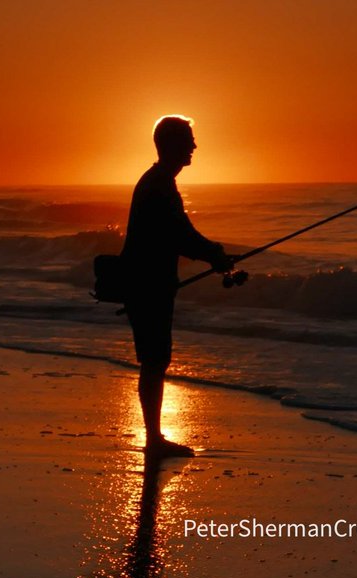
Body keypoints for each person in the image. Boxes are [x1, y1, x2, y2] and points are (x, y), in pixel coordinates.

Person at [121, 115, 232, 457]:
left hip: (147, 283)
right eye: (188, 140)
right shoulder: (159, 185)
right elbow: (180, 235)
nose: (194, 146)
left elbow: (180, 234)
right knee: (155, 359)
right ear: (172, 145)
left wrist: (212, 254)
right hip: (148, 285)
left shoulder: (158, 182)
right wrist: (214, 255)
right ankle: (154, 440)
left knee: (155, 359)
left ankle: (154, 437)